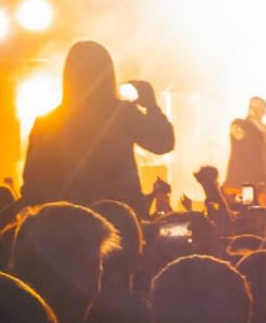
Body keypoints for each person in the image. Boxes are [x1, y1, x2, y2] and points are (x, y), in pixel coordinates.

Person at [20, 41, 175, 210]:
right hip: (119, 219)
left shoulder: (48, 124)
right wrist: (151, 107)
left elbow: (31, 188)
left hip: (67, 224)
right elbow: (162, 143)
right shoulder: (122, 115)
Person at [226, 96, 266, 189]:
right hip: (238, 181)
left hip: (260, 182)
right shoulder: (239, 123)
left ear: (264, 111)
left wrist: (256, 122)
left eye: (258, 107)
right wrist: (252, 121)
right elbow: (238, 135)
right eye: (251, 106)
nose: (254, 110)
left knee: (260, 204)